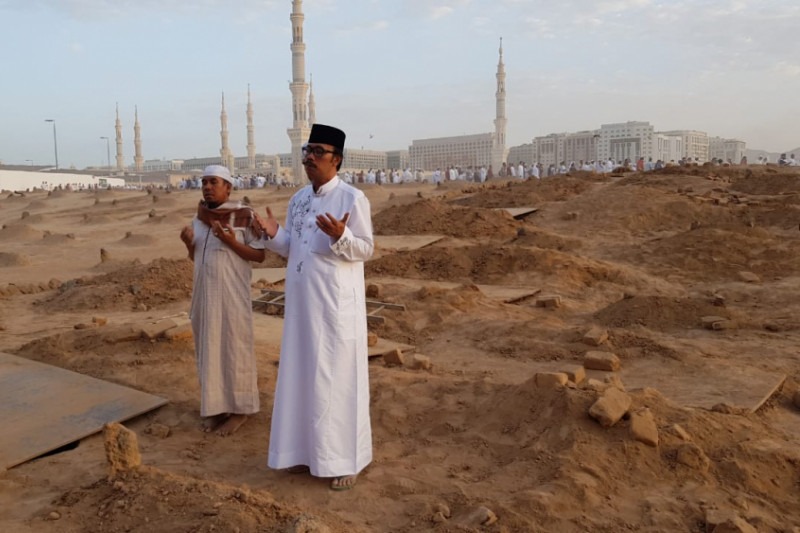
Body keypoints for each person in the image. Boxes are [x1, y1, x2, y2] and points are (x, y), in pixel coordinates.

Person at [254, 124, 374, 491]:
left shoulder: (352, 199)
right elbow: (295, 248)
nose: (309, 157)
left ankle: (346, 459)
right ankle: (302, 452)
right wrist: (274, 233)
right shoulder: (299, 199)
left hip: (335, 310)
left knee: (337, 380)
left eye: (318, 152)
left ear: (336, 160)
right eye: (307, 150)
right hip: (303, 308)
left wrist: (342, 236)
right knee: (301, 377)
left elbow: (366, 249)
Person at [179, 165, 266, 436]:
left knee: (234, 349)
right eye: (203, 182)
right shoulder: (199, 218)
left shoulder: (243, 215)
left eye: (213, 182)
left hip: (231, 296)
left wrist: (230, 241)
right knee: (210, 352)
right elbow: (198, 259)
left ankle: (240, 410)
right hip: (205, 297)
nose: (206, 187)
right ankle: (217, 407)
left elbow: (259, 255)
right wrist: (188, 245)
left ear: (228, 187)